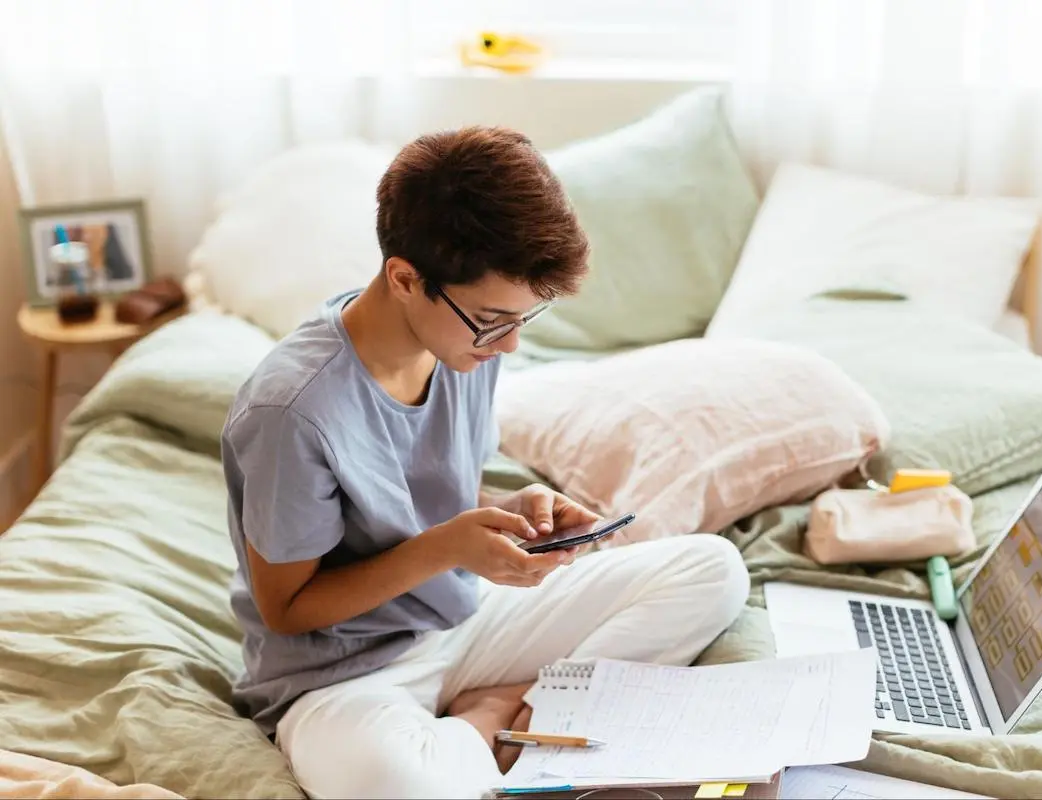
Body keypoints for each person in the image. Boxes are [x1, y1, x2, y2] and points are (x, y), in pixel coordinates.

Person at [220, 126, 750, 800]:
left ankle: (519, 702)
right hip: (340, 674)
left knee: (713, 569)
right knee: (394, 784)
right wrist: (447, 547)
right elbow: (289, 609)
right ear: (406, 279)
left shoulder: (461, 347)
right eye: (494, 320)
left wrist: (506, 515)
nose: (510, 344)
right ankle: (492, 719)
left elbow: (432, 507)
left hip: (463, 618)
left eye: (524, 319)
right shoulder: (291, 411)